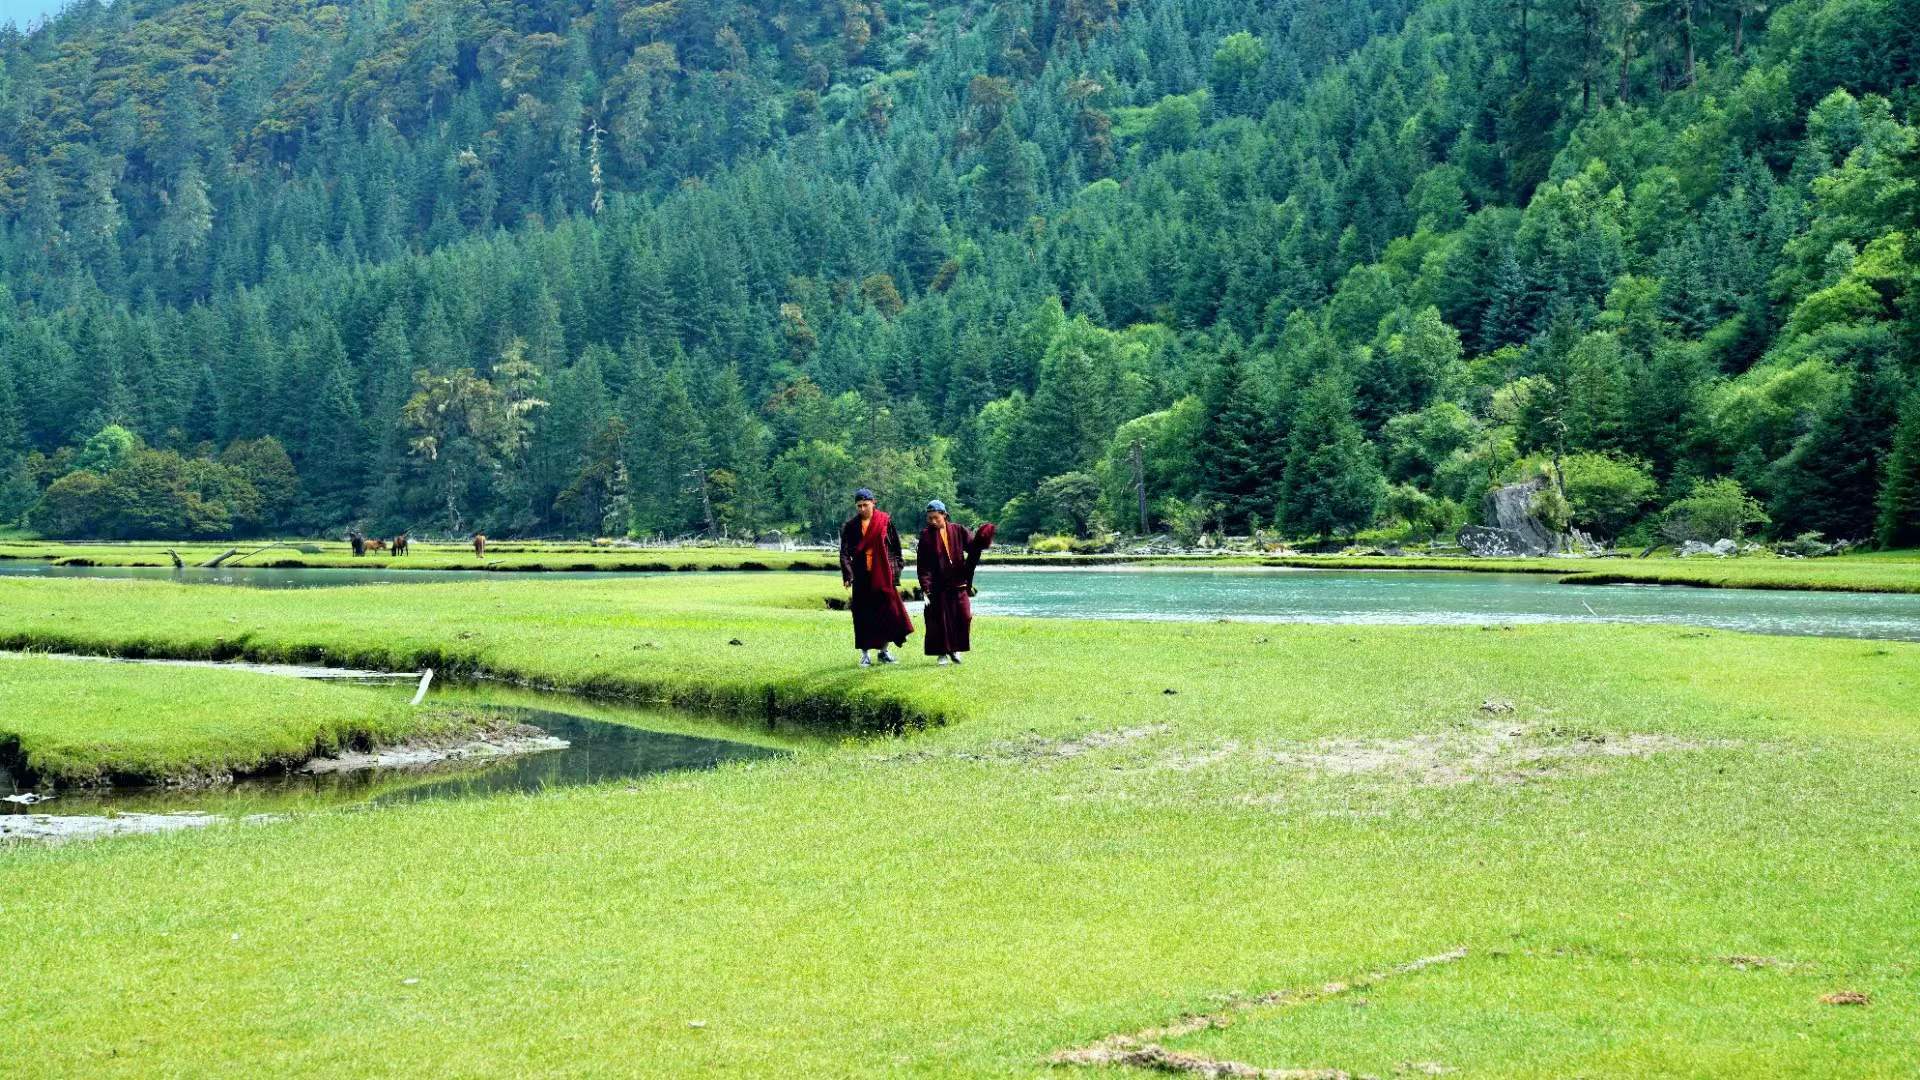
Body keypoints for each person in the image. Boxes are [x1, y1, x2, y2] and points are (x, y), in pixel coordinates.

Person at [838, 488, 913, 667]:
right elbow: (844, 553)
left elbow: (895, 549)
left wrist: (895, 573)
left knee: (886, 613)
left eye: (865, 505)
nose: (862, 509)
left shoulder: (884, 521)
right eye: (859, 506)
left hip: (882, 574)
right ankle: (865, 655)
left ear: (873, 502)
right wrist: (848, 574)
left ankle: (884, 651)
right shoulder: (851, 526)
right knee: (863, 615)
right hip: (861, 576)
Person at [917, 501, 995, 665]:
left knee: (964, 616)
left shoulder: (958, 530)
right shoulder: (925, 536)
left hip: (958, 582)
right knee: (939, 620)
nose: (932, 521)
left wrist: (982, 538)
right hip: (938, 586)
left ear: (944, 515)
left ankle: (956, 649)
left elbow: (973, 547)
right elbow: (923, 565)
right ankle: (942, 654)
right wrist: (926, 587)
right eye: (929, 518)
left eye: (936, 518)